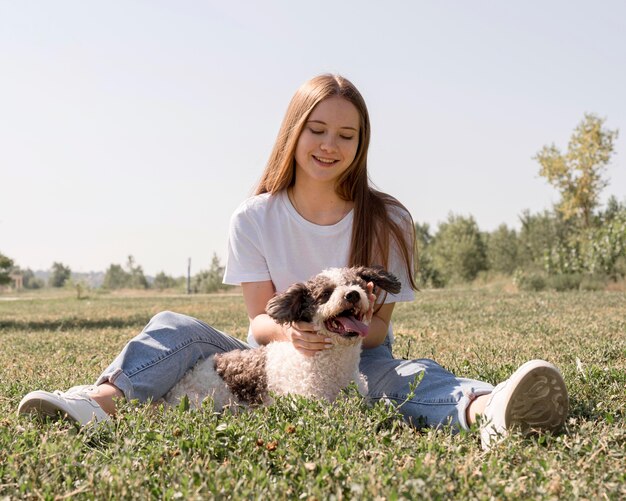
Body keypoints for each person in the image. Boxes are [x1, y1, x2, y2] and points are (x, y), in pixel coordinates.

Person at [18, 74, 568, 450]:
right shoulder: (253, 217)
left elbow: (377, 334)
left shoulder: (389, 220)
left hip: (357, 354)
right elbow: (259, 321)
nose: (330, 145)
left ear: (361, 144)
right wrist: (294, 337)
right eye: (317, 129)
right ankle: (98, 403)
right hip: (271, 353)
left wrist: (342, 336)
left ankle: (487, 409)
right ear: (294, 131)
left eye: (346, 135)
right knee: (173, 328)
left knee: (402, 377)